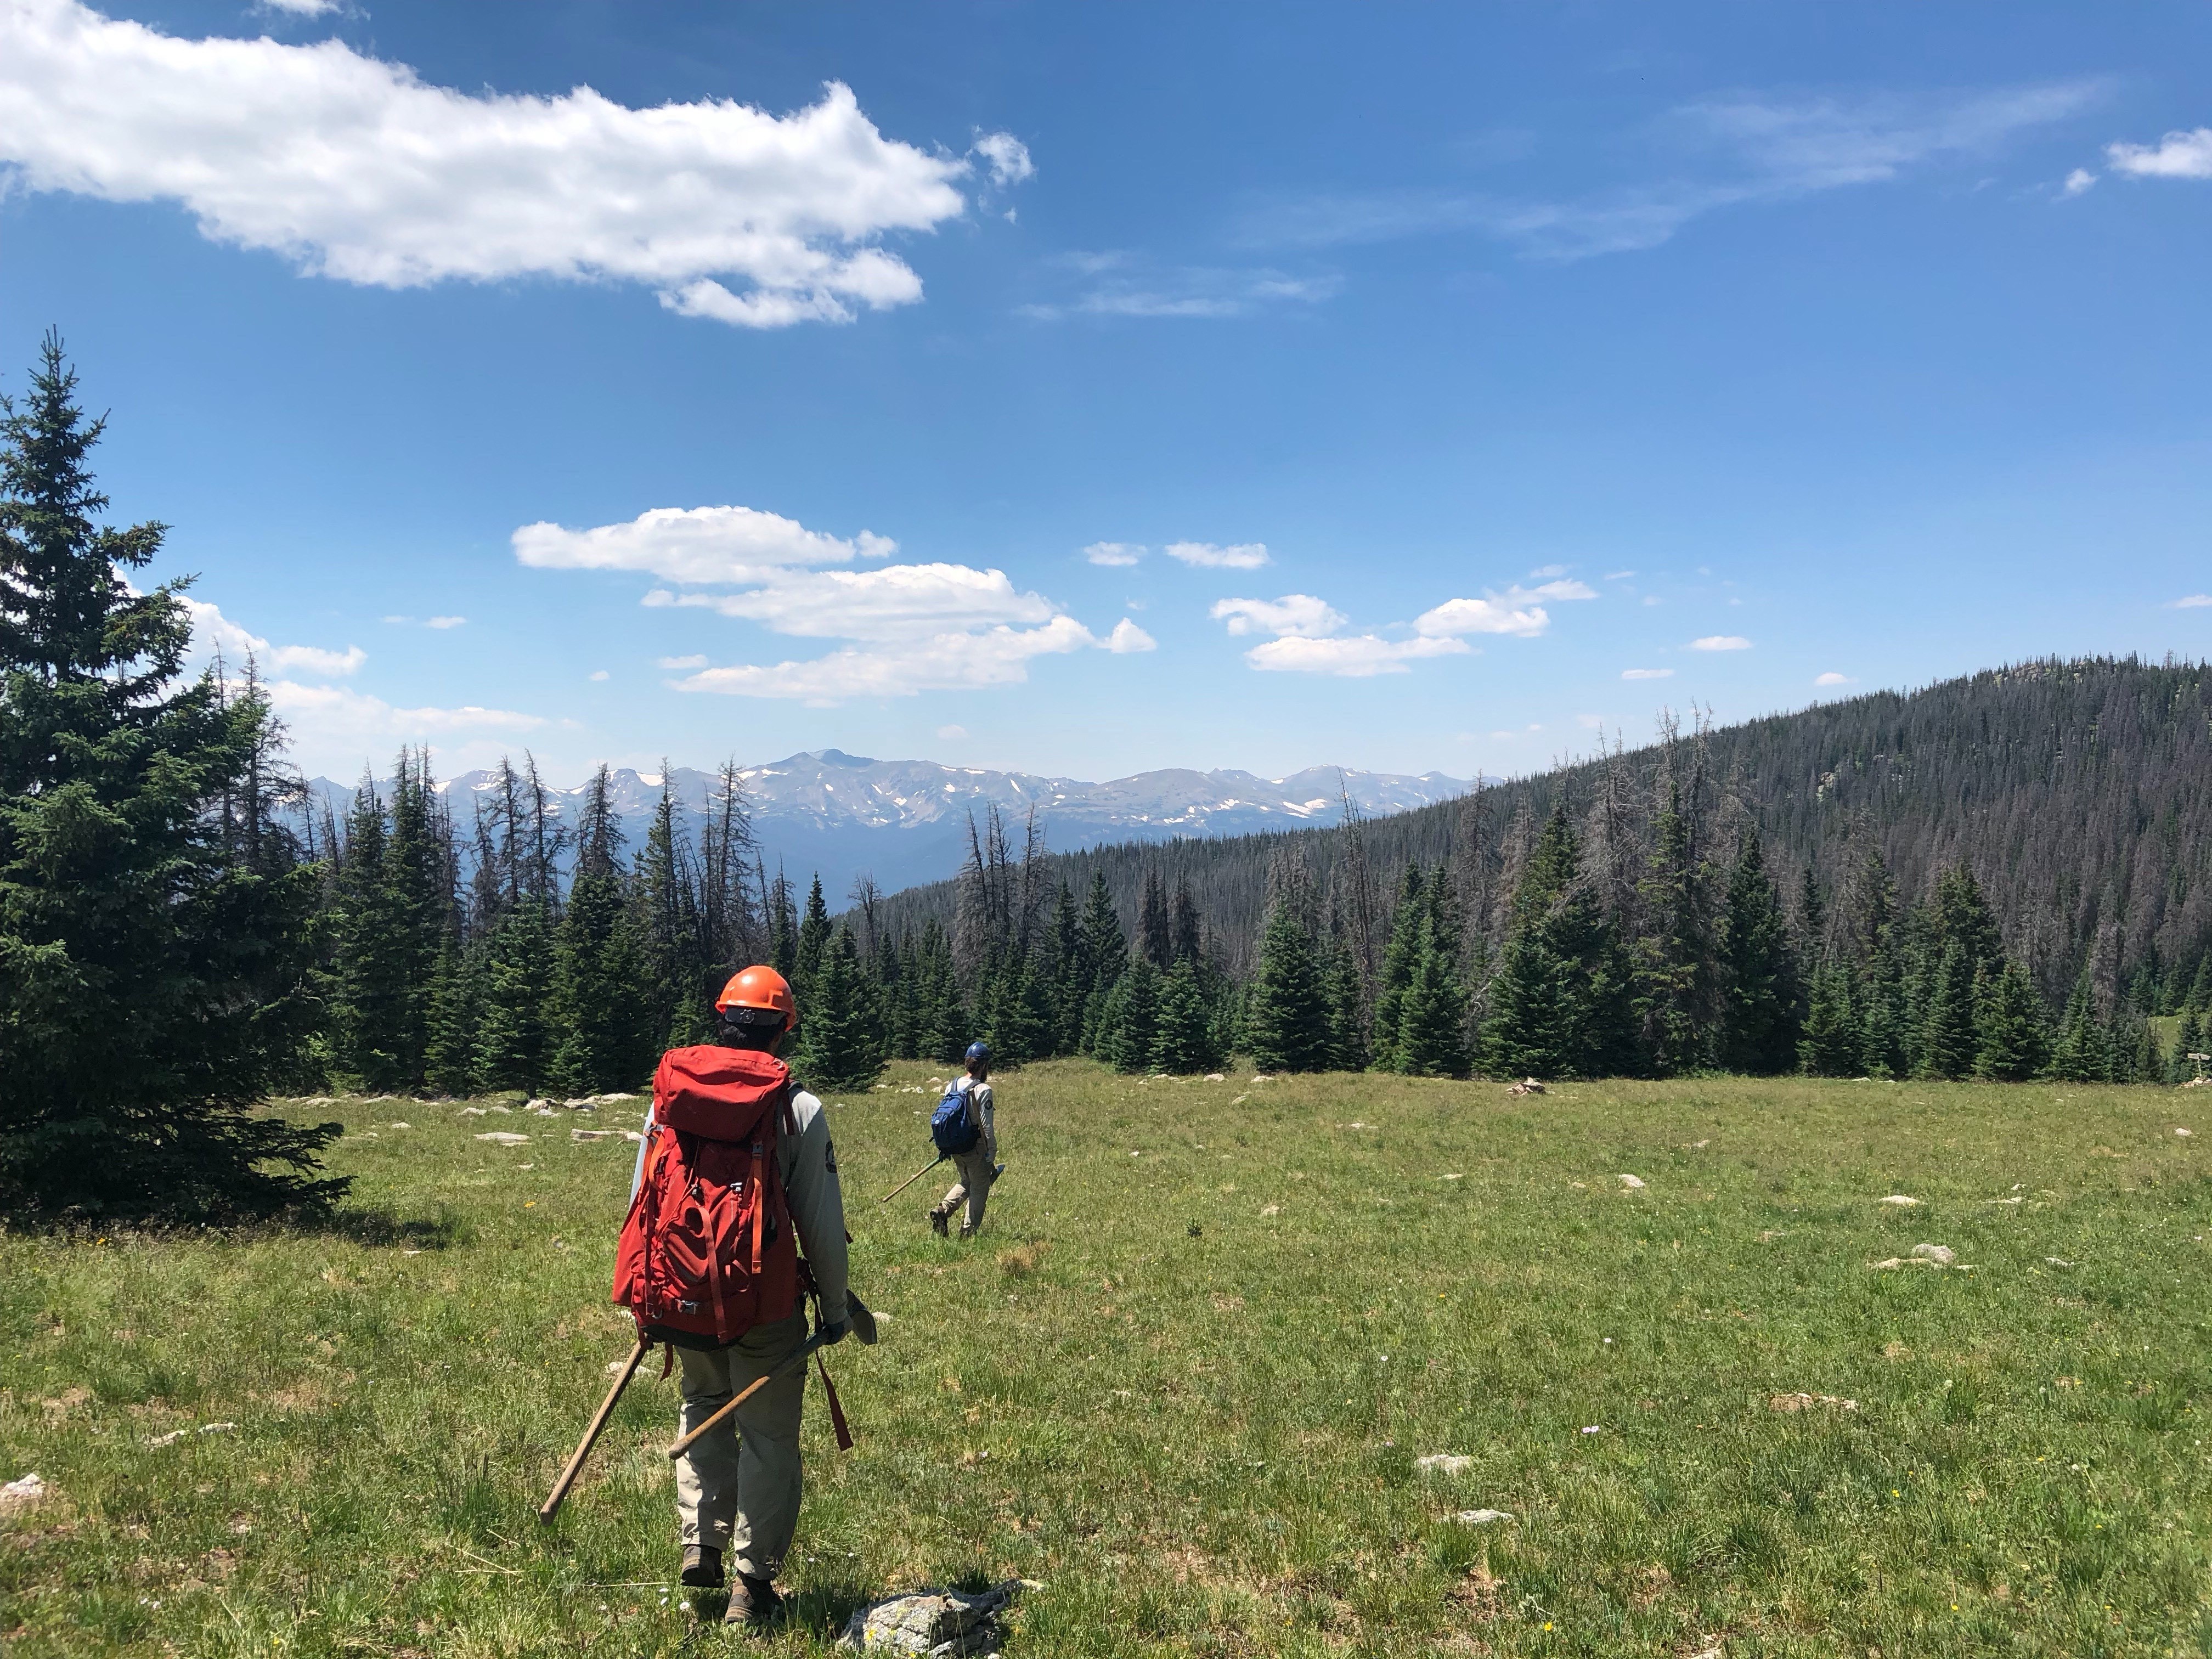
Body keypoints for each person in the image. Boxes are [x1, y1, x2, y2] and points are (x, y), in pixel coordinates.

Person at [629, 965, 851, 1629]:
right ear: (785, 1030)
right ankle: (752, 1588)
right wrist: (835, 1310)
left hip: (682, 1296)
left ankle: (702, 1540)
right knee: (768, 1437)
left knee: (702, 1404)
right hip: (764, 1302)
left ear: (723, 1018)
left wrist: (651, 1297)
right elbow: (820, 1222)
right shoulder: (797, 1106)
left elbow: (641, 1201)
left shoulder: (668, 1096)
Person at [928, 1041, 997, 1239]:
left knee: (966, 1181)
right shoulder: (983, 1090)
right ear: (983, 1066)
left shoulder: (953, 1085)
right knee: (980, 1188)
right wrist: (991, 1152)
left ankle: (943, 1210)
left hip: (955, 1145)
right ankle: (967, 1234)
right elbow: (986, 1126)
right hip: (975, 1147)